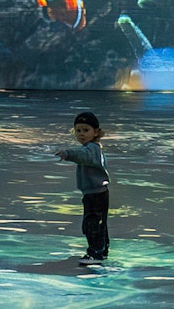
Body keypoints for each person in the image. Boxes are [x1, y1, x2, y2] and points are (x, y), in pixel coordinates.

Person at [54, 111, 110, 265]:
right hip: (97, 192)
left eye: (86, 130)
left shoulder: (92, 149)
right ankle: (101, 250)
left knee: (92, 223)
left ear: (96, 132)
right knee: (98, 222)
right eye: (78, 130)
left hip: (96, 193)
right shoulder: (92, 147)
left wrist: (68, 154)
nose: (81, 134)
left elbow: (83, 156)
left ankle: (95, 253)